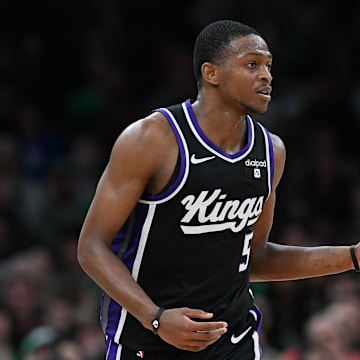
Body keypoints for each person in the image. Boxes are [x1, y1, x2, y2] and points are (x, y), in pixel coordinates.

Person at [77, 19, 360, 360]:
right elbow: (92, 246)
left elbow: (256, 259)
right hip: (149, 340)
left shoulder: (271, 151)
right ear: (211, 73)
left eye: (269, 66)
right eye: (252, 64)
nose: (267, 76)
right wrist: (155, 318)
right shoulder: (152, 139)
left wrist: (353, 256)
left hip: (233, 340)